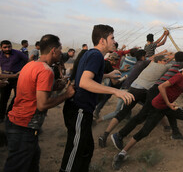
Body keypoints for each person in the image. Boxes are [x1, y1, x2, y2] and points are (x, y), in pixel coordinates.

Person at [112, 60, 183, 170]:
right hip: (158, 106)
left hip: (168, 106)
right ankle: (121, 154)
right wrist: (168, 103)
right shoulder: (178, 77)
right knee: (144, 131)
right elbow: (161, 87)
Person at [104, 48, 183, 150]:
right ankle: (120, 135)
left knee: (167, 111)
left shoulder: (173, 66)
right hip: (157, 92)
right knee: (142, 117)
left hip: (154, 91)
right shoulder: (180, 69)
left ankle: (175, 132)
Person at [59, 24, 135, 172]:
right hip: (79, 109)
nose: (114, 41)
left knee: (86, 149)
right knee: (75, 153)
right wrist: (116, 91)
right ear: (102, 40)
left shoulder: (91, 54)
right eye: (112, 38)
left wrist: (106, 75)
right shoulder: (96, 56)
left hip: (82, 109)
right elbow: (84, 82)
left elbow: (86, 76)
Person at [3, 34, 75, 172]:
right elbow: (42, 104)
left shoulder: (31, 65)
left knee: (32, 162)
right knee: (16, 167)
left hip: (17, 123)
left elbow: (31, 89)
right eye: (60, 49)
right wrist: (66, 95)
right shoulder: (46, 71)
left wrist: (54, 87)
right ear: (53, 50)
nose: (61, 53)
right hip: (24, 126)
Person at [0, 40, 28, 123]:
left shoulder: (17, 53)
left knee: (17, 97)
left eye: (9, 46)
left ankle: (9, 113)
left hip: (17, 78)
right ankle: (1, 116)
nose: (7, 49)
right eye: (5, 47)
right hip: (5, 78)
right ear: (1, 48)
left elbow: (28, 60)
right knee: (3, 98)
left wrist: (23, 70)